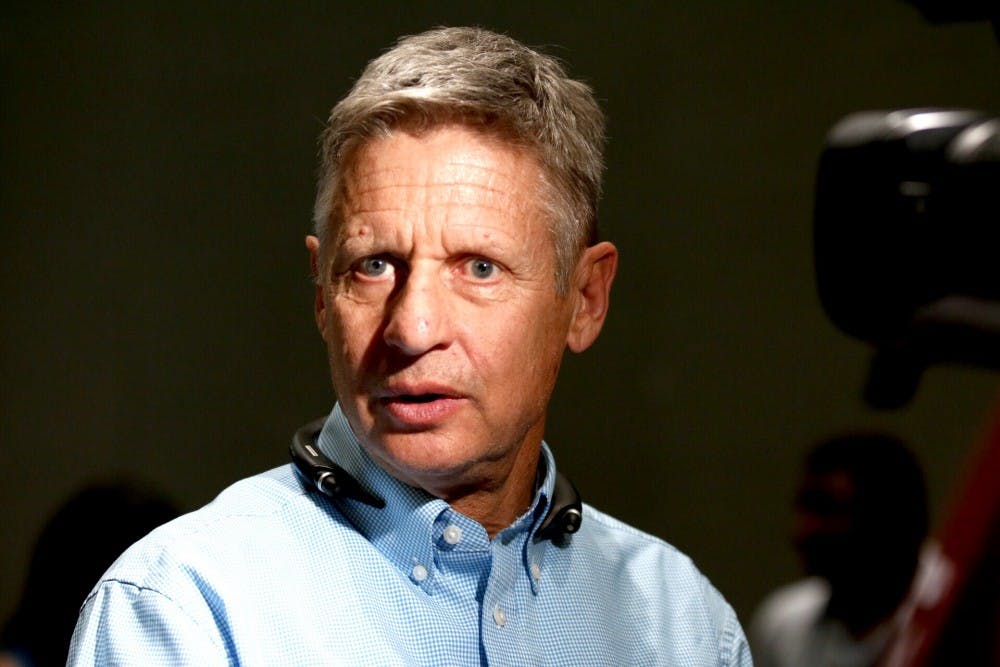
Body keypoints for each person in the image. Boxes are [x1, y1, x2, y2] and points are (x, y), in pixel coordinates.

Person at [68, 26, 751, 665]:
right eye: (373, 265)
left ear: (585, 299)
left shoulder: (683, 626)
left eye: (479, 267)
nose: (413, 327)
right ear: (319, 294)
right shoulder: (189, 612)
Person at [749, 432, 930, 667]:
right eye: (804, 509)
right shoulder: (782, 625)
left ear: (889, 518)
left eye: (828, 510)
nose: (802, 532)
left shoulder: (956, 603)